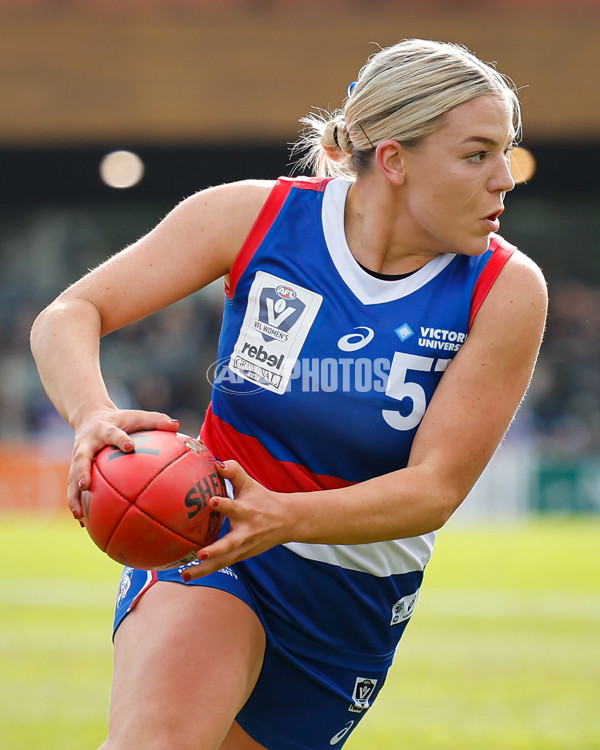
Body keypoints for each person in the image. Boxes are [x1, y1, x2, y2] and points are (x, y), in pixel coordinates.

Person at [31, 38, 547, 750]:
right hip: (214, 551)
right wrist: (92, 414)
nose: (504, 179)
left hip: (351, 611)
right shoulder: (255, 218)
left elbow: (433, 489)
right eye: (476, 154)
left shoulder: (507, 290)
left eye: (505, 152)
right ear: (394, 160)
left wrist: (288, 515)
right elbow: (69, 315)